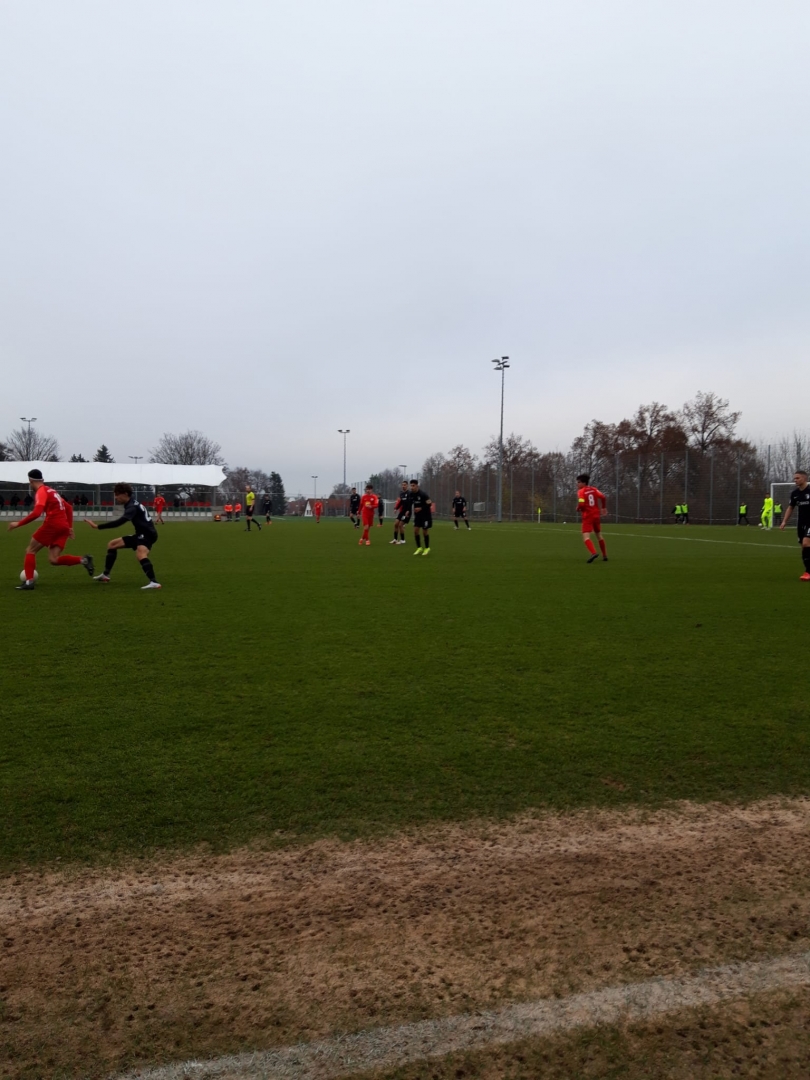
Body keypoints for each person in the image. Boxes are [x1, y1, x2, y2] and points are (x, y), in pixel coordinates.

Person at [8, 468, 94, 590]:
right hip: (63, 526)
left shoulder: (41, 491)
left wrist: (18, 523)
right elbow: (68, 508)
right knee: (53, 559)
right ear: (42, 479)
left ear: (31, 481)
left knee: (30, 550)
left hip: (52, 524)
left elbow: (37, 513)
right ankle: (84, 560)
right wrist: (69, 527)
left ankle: (29, 582)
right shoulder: (52, 491)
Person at [85, 482, 161, 590]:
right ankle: (106, 575)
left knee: (140, 554)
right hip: (141, 534)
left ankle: (154, 582)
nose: (116, 498)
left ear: (125, 493)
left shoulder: (132, 506)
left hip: (147, 535)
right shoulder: (132, 503)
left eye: (117, 495)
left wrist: (98, 526)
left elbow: (120, 522)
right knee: (112, 545)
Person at [780, 470, 810, 580]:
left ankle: (808, 572)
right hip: (801, 523)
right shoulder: (795, 494)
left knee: (806, 543)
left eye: (797, 478)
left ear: (804, 478)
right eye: (794, 478)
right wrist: (784, 521)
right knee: (804, 548)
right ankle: (808, 570)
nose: (795, 480)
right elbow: (791, 507)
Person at [576, 473, 608, 563]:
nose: (577, 484)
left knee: (586, 537)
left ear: (584, 483)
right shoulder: (594, 490)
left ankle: (593, 553)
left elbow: (581, 503)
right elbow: (603, 497)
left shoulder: (581, 492)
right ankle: (605, 555)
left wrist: (578, 508)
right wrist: (603, 507)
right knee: (599, 535)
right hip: (596, 515)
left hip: (588, 516)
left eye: (578, 482)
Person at [409, 479, 434, 555]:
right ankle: (419, 548)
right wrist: (408, 511)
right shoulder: (411, 494)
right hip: (418, 516)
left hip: (426, 516)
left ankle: (427, 548)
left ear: (417, 486)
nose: (412, 487)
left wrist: (420, 508)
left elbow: (430, 504)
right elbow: (410, 504)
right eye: (411, 486)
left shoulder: (423, 494)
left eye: (413, 486)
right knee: (416, 531)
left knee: (424, 532)